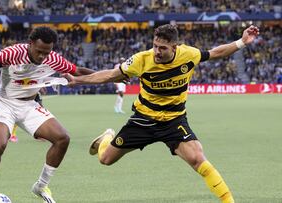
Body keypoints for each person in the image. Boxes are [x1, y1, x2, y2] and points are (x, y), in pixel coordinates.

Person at [64, 24, 259, 203]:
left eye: (162, 48)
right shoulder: (141, 59)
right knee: (105, 159)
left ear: (175, 47)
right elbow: (109, 75)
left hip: (174, 121)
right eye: (155, 45)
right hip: (143, 119)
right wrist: (79, 81)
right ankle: (107, 137)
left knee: (198, 159)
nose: (157, 51)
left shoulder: (189, 54)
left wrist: (242, 41)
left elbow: (217, 52)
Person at [0, 26, 94, 203]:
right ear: (31, 43)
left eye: (47, 52)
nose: (43, 56)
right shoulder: (12, 53)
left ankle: (41, 186)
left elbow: (78, 71)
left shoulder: (54, 59)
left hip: (29, 105)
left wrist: (113, 75)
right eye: (39, 51)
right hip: (5, 103)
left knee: (62, 138)